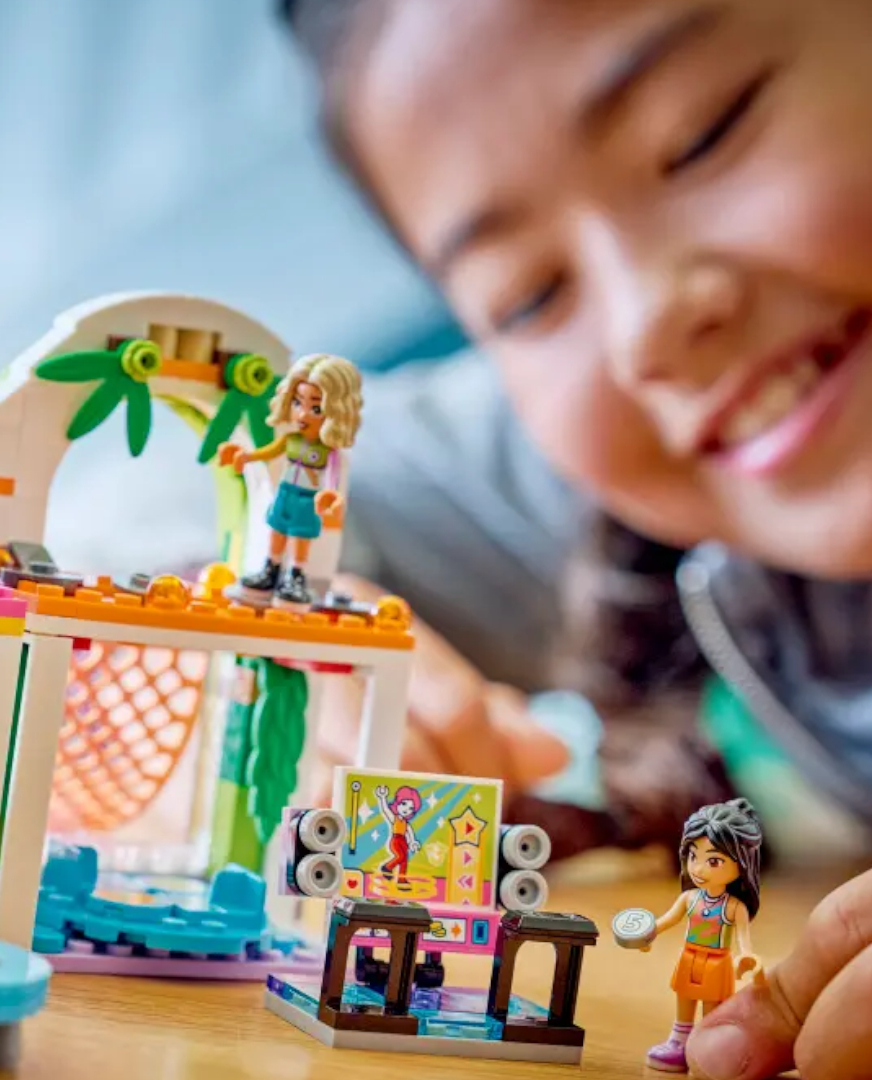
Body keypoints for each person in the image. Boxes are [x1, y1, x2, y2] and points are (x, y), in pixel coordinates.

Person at [277, 3, 872, 1077]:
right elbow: (165, 482)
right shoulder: (653, 480)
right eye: (529, 296)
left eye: (705, 130)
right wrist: (278, 638)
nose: (645, 322)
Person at [620, 799, 767, 1072]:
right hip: (689, 957)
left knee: (712, 1007)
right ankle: (678, 1041)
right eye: (693, 856)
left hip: (717, 962)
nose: (698, 869)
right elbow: (666, 921)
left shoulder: (734, 907)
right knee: (684, 999)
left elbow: (744, 941)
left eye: (713, 861)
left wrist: (747, 957)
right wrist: (646, 934)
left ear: (742, 864)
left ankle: (706, 1045)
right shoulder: (689, 898)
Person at [221, 353, 363, 609]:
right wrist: (247, 456)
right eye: (298, 403)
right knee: (276, 532)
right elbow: (270, 451)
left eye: (316, 408)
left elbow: (332, 479)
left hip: (307, 499)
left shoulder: (328, 451)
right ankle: (270, 570)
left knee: (300, 539)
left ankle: (295, 576)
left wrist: (331, 497)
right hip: (286, 493)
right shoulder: (291, 440)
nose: (303, 414)